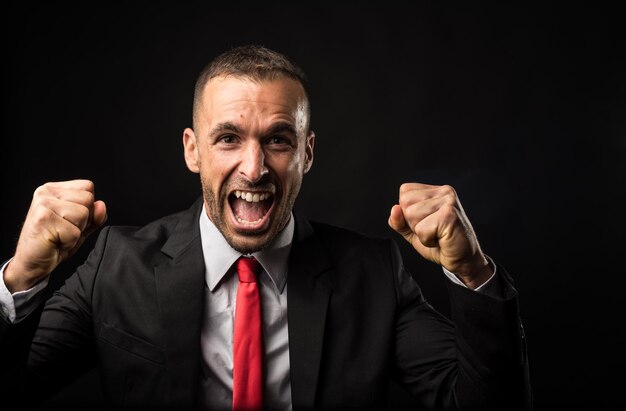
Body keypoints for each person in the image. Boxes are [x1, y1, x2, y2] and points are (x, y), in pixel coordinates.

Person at [0, 45, 531, 410]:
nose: (254, 169)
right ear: (193, 150)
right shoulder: (114, 264)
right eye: (228, 138)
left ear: (308, 152)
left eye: (278, 140)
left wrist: (472, 271)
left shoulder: (374, 275)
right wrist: (21, 277)